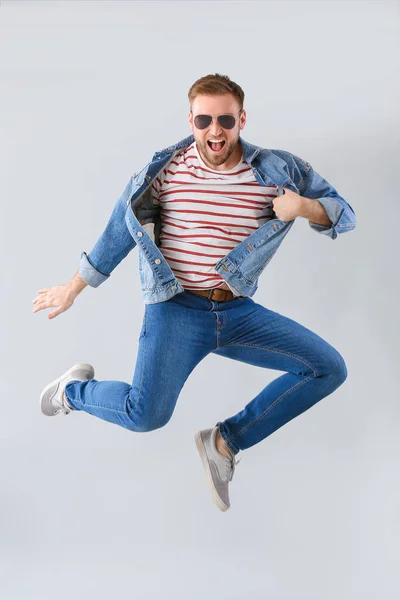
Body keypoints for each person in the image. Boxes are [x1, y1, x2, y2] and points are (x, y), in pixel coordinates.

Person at [33, 73, 356, 512]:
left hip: (238, 313)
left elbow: (343, 214)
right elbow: (119, 231)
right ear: (191, 120)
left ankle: (226, 441)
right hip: (176, 313)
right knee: (145, 416)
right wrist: (74, 288)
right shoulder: (164, 171)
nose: (215, 130)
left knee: (327, 368)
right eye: (204, 120)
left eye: (225, 119)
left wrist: (302, 207)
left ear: (242, 119)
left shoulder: (279, 170)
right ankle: (73, 392)